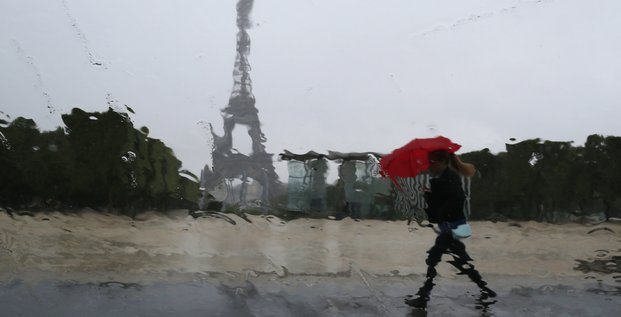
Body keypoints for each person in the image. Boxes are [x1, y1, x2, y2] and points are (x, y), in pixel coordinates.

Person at [405, 150, 496, 309]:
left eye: (432, 162)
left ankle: (423, 296)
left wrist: (435, 205)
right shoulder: (443, 179)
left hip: (452, 228)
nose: (430, 165)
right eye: (429, 162)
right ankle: (485, 290)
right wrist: (429, 196)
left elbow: (455, 201)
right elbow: (439, 206)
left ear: (443, 162)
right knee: (461, 262)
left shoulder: (449, 179)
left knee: (434, 259)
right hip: (451, 227)